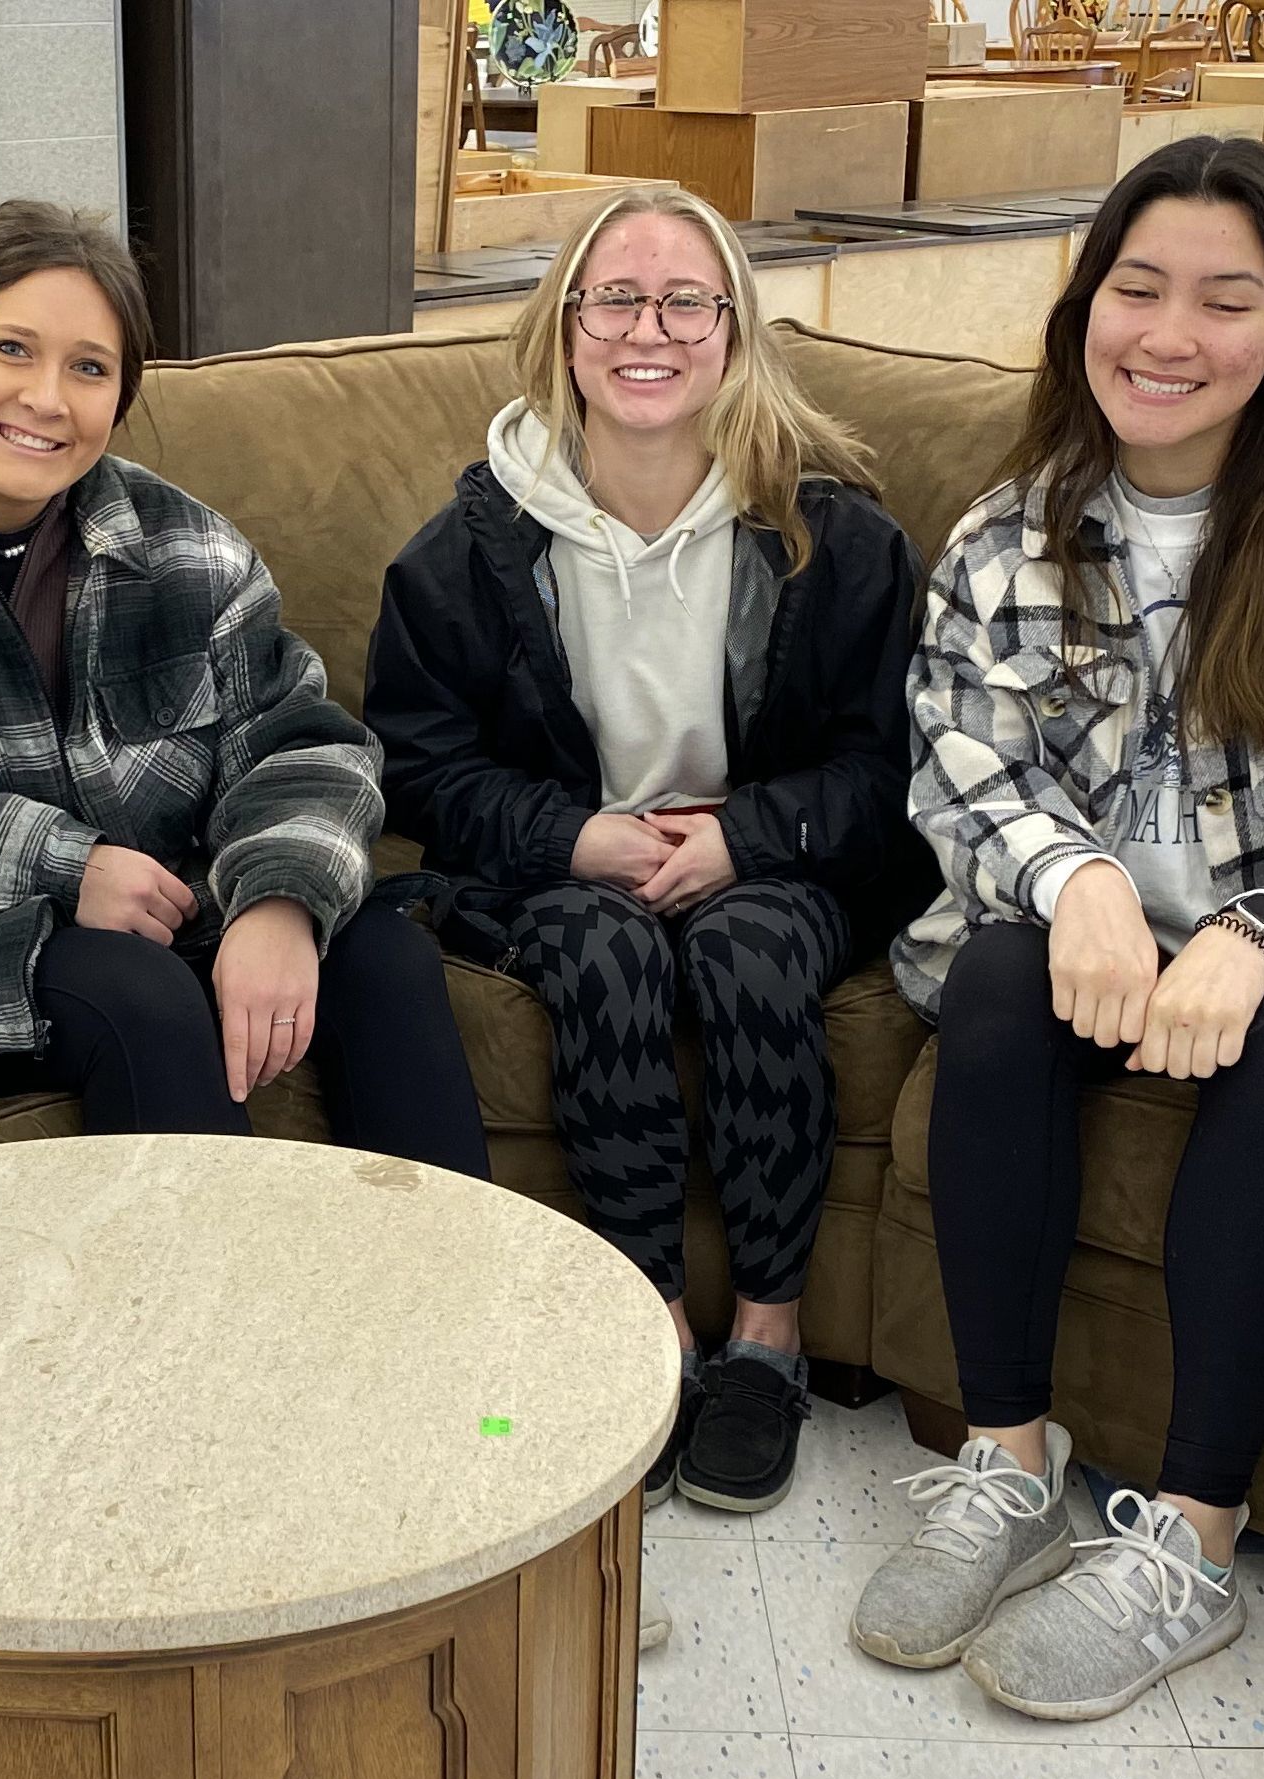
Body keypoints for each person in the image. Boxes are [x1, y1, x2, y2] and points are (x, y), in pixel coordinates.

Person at [866, 137, 1264, 1722]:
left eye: (1224, 300)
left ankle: (1190, 1544)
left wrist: (1258, 929)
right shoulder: (1011, 531)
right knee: (997, 979)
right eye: (1134, 288)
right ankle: (1005, 1460)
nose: (1166, 334)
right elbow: (957, 771)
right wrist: (1074, 881)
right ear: (1084, 303)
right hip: (1088, 940)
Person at [0, 200, 491, 1180]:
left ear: (120, 397)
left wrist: (279, 901)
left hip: (169, 911)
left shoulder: (181, 544)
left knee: (383, 959)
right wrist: (65, 867)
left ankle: (454, 1321)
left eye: (89, 367)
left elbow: (302, 738)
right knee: (136, 995)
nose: (46, 397)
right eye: (11, 348)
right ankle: (203, 1335)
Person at [361, 186, 930, 1516]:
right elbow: (419, 765)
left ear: (732, 333)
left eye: (686, 300)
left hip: (774, 866)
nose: (647, 329)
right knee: (604, 951)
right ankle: (659, 1329)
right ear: (563, 329)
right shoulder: (467, 549)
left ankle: (766, 1339)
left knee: (740, 952)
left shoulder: (833, 538)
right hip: (557, 870)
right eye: (613, 297)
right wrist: (574, 836)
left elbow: (889, 768)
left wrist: (745, 836)